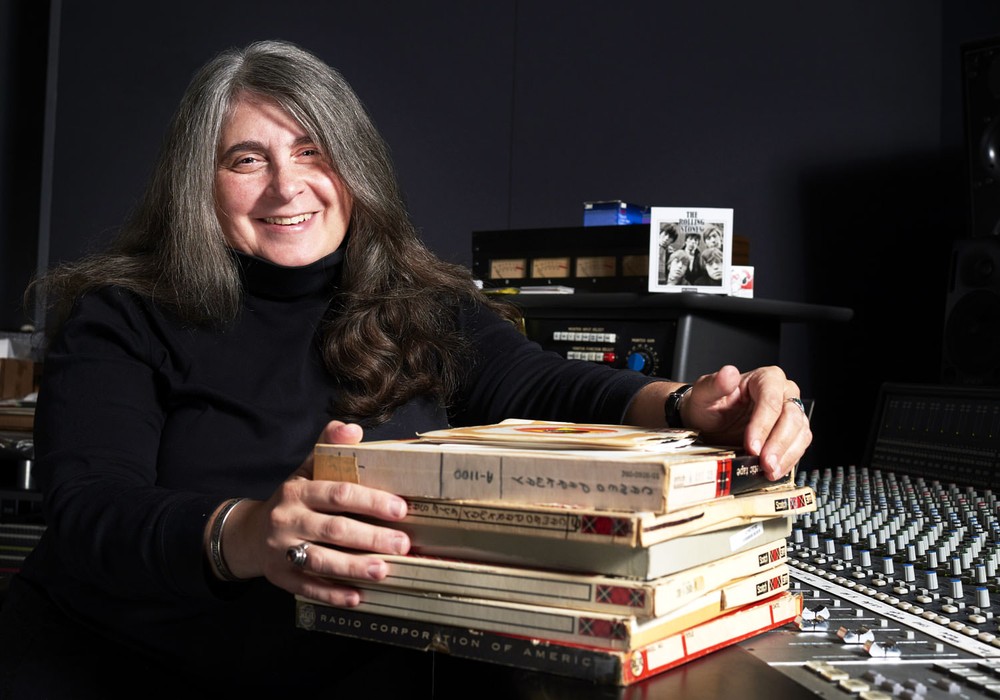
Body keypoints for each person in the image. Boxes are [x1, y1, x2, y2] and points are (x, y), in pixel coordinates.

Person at [0, 40, 811, 697]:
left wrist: (688, 403)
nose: (287, 186)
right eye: (246, 160)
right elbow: (90, 510)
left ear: (352, 165)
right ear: (197, 184)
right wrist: (245, 533)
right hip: (122, 666)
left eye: (312, 151)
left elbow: (540, 383)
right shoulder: (121, 312)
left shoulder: (421, 301)